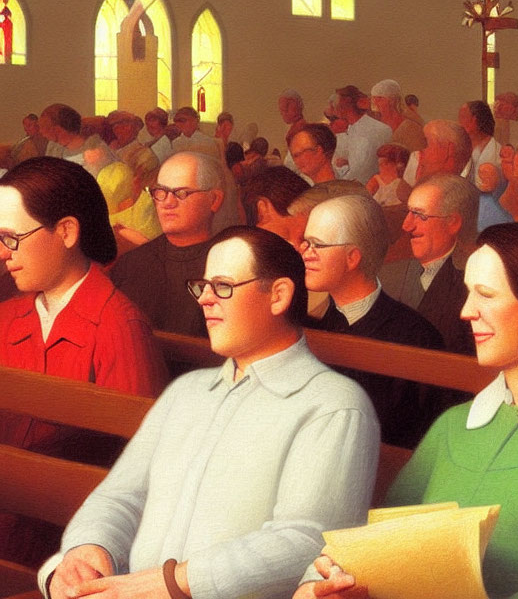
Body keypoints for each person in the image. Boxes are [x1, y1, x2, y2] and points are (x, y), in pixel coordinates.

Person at [297, 222, 518, 599]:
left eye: (485, 294)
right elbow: (382, 540)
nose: (467, 311)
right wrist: (331, 578)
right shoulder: (455, 424)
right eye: (469, 293)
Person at [37, 226, 379, 599]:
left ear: (278, 295)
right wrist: (88, 550)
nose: (205, 300)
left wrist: (171, 583)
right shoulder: (186, 393)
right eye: (203, 287)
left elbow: (308, 539)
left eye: (223, 287)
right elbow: (121, 495)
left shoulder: (333, 404)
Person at [0, 156, 167, 566]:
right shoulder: (8, 316)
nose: (3, 253)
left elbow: (136, 468)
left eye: (11, 238)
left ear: (67, 231)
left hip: (65, 541)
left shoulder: (118, 327)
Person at [302, 194, 450, 447]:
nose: (305, 253)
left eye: (316, 244)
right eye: (305, 243)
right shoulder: (307, 326)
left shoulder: (416, 337)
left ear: (352, 257)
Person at [110, 152, 226, 337]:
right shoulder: (131, 264)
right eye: (160, 193)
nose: (167, 203)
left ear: (214, 200)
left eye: (182, 193)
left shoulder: (230, 268)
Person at [380, 174, 478, 355]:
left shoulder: (473, 283)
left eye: (420, 215)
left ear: (452, 223)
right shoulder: (387, 276)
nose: (406, 225)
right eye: (407, 212)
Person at [333, 84, 392, 184]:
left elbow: (361, 172)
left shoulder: (368, 131)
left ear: (346, 104)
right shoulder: (353, 129)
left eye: (337, 103)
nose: (335, 107)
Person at [369, 79, 426, 152]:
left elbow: (417, 156)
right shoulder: (373, 123)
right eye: (373, 98)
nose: (375, 102)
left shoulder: (410, 128)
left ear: (392, 100)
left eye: (380, 98)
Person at [459, 100, 500, 187]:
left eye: (463, 117)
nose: (459, 123)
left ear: (475, 120)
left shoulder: (497, 153)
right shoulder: (463, 149)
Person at [366, 142, 412, 207]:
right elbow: (365, 198)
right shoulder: (376, 180)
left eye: (385, 164)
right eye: (380, 164)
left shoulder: (405, 183)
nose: (381, 167)